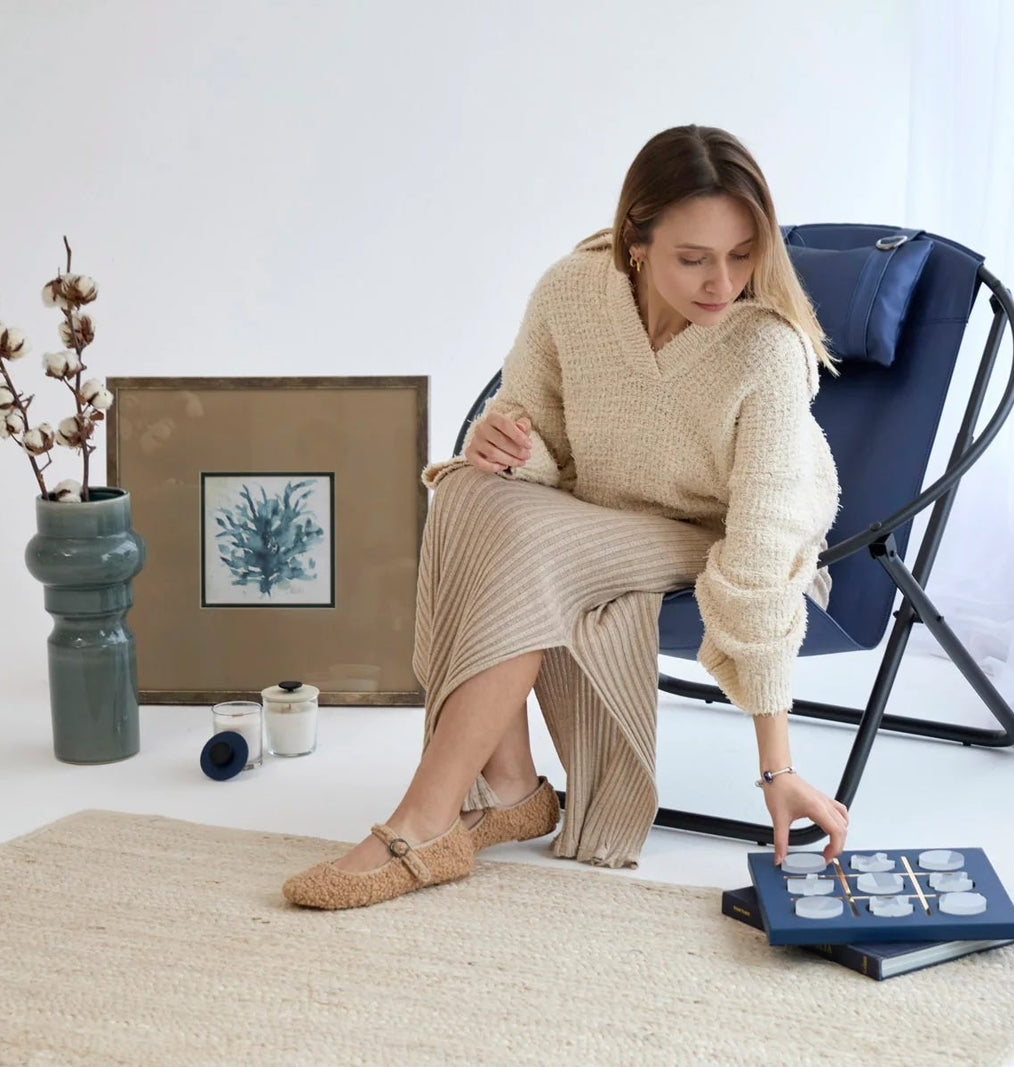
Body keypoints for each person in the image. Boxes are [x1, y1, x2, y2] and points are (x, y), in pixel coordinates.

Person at [283, 125, 847, 910]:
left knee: (523, 536)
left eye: (744, 253)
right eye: (694, 258)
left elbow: (758, 556)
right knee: (468, 490)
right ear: (637, 243)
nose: (724, 282)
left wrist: (777, 768)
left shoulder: (767, 352)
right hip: (593, 515)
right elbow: (537, 432)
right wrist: (505, 443)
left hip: (709, 535)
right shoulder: (570, 292)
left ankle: (426, 817)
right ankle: (510, 786)